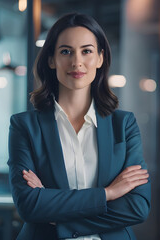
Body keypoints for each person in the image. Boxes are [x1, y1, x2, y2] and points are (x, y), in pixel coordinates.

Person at [8, 13, 151, 240]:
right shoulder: (24, 126)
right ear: (51, 59)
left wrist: (56, 212)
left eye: (86, 51)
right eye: (66, 51)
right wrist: (108, 193)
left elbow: (137, 206)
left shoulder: (123, 125)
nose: (77, 62)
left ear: (100, 58)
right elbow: (29, 205)